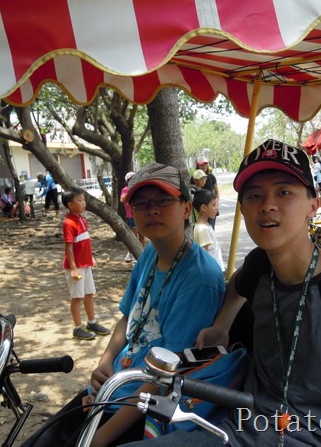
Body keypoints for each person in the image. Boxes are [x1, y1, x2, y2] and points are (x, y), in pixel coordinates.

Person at [124, 140, 321, 447]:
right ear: (243, 209)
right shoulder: (260, 264)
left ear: (313, 205)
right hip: (241, 431)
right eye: (254, 196)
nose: (267, 205)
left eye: (284, 192)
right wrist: (222, 325)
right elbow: (237, 284)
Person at [24, 164, 224, 447]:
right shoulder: (149, 255)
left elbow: (167, 374)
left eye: (163, 200)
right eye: (141, 203)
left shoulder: (200, 278)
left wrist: (98, 439)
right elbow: (128, 317)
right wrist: (105, 361)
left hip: (142, 408)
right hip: (112, 388)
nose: (151, 210)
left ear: (186, 208)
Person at [61, 188, 111, 340]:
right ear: (70, 205)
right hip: (76, 267)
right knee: (77, 297)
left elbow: (84, 243)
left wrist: (91, 258)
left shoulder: (82, 219)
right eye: (80, 201)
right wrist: (73, 268)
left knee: (89, 294)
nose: (84, 203)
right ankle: (77, 328)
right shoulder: (68, 223)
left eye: (84, 200)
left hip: (86, 264)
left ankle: (92, 322)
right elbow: (69, 247)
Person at [193, 188, 225, 272]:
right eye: (214, 205)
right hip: (213, 271)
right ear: (204, 207)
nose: (216, 208)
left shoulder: (200, 226)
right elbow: (204, 256)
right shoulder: (203, 229)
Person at [121, 171, 145, 263]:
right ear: (127, 181)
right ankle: (130, 254)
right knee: (133, 237)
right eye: (131, 179)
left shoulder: (139, 189)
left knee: (141, 235)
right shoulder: (125, 189)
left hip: (140, 214)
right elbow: (123, 200)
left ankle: (142, 253)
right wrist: (130, 190)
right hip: (131, 216)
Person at [195, 157, 219, 229]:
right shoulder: (194, 177)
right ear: (198, 166)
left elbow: (217, 192)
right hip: (200, 208)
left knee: (211, 227)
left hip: (210, 206)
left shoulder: (211, 177)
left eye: (205, 164)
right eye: (202, 165)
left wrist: (216, 204)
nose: (204, 166)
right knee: (202, 227)